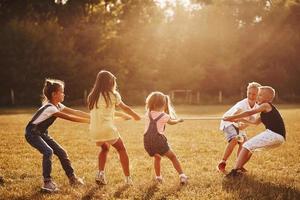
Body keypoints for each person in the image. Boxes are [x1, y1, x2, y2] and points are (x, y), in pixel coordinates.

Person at [25, 79, 90, 192]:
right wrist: (90, 121)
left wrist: (92, 116)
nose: (64, 94)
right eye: (62, 92)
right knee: (48, 151)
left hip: (42, 133)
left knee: (61, 152)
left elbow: (74, 112)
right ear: (54, 94)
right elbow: (71, 118)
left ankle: (72, 178)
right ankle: (47, 183)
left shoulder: (57, 105)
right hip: (32, 133)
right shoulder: (50, 108)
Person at [88, 70, 141, 185]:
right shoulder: (113, 95)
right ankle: (128, 179)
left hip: (94, 129)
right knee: (121, 149)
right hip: (107, 128)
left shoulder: (92, 96)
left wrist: (123, 116)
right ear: (110, 82)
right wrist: (135, 116)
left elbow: (105, 111)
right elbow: (125, 107)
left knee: (105, 149)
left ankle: (100, 174)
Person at [224, 86, 286, 177]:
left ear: (268, 98)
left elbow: (249, 112)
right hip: (279, 138)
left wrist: (232, 117)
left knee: (246, 145)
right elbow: (255, 122)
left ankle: (235, 171)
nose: (257, 97)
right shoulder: (266, 110)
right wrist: (239, 119)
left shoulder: (266, 105)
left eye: (260, 95)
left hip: (274, 134)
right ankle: (239, 168)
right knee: (250, 147)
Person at [143, 91, 188, 185]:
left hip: (147, 142)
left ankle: (158, 177)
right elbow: (172, 122)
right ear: (164, 104)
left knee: (157, 157)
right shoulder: (164, 116)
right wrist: (179, 120)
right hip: (159, 141)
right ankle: (182, 176)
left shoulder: (148, 114)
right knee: (172, 157)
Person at [217, 82, 261, 173]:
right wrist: (237, 118)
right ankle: (222, 162)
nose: (251, 95)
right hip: (228, 121)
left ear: (258, 95)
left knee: (244, 144)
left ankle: (238, 166)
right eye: (249, 93)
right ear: (247, 92)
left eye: (254, 94)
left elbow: (252, 120)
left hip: (239, 124)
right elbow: (234, 115)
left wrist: (243, 125)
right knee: (235, 138)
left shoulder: (257, 107)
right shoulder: (242, 104)